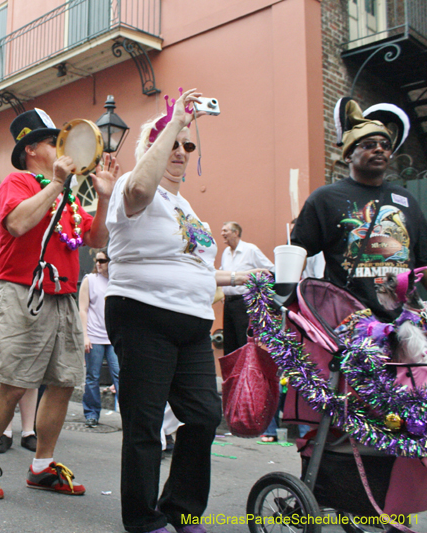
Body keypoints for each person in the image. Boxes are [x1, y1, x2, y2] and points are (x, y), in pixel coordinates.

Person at [104, 88, 265, 533]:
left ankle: (181, 508)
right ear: (152, 148)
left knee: (203, 415)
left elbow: (196, 270)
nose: (179, 150)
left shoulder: (186, 207)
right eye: (171, 142)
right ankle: (143, 519)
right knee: (146, 420)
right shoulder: (133, 187)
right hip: (142, 314)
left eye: (186, 144)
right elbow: (139, 186)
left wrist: (245, 279)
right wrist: (175, 120)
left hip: (192, 322)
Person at [0, 108, 118, 499]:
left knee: (63, 383)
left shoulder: (64, 194)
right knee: (13, 385)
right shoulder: (18, 182)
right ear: (31, 148)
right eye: (53, 141)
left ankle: (43, 466)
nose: (61, 147)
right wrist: (58, 185)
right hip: (22, 293)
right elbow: (16, 223)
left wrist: (103, 197)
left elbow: (96, 240)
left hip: (62, 295)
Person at [292, 96, 427, 321]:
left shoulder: (406, 200)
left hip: (405, 324)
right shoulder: (325, 198)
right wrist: (288, 300)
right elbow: (298, 250)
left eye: (385, 146)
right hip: (348, 322)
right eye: (368, 145)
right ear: (348, 154)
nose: (379, 150)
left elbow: (423, 260)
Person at [0, 222, 38, 454]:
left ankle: (28, 431)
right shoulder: (3, 233)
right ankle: (3, 430)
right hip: (6, 303)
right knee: (6, 367)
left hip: (34, 302)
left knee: (32, 368)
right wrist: (1, 230)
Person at [219, 221, 274, 355]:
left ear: (236, 233)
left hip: (244, 303)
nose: (222, 234)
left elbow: (270, 269)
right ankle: (232, 374)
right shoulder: (226, 252)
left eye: (225, 230)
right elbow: (223, 272)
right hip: (228, 302)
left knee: (243, 340)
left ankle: (246, 374)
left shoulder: (251, 250)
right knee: (229, 342)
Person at [79, 249, 119, 428]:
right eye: (97, 260)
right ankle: (92, 413)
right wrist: (85, 336)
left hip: (114, 338)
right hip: (94, 336)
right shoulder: (90, 280)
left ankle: (127, 414)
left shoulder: (117, 282)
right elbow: (83, 309)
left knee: (120, 375)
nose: (98, 264)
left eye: (103, 261)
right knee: (92, 376)